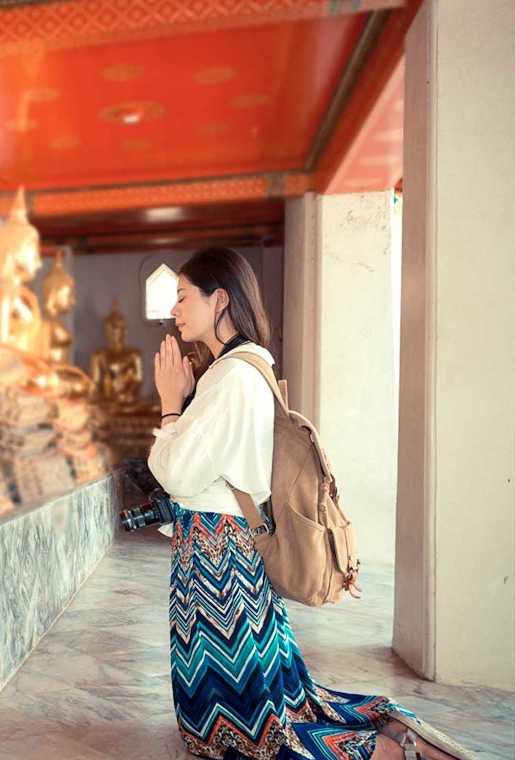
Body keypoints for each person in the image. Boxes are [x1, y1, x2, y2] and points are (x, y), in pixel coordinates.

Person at [148, 247, 474, 759]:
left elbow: (176, 472)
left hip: (215, 553)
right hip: (220, 545)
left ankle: (390, 751)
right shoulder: (233, 371)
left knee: (249, 734)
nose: (175, 309)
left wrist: (170, 405)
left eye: (184, 296)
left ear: (220, 300)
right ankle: (394, 736)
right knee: (240, 711)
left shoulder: (233, 377)